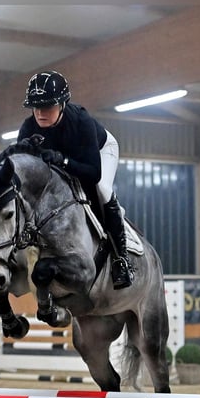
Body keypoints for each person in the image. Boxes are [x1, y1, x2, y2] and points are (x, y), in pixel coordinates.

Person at [16, 70, 134, 290]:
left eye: (47, 106)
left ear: (61, 104)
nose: (40, 113)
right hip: (65, 163)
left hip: (99, 153)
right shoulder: (27, 127)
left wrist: (63, 161)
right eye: (36, 107)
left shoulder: (82, 121)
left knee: (102, 189)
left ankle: (121, 259)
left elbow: (92, 172)